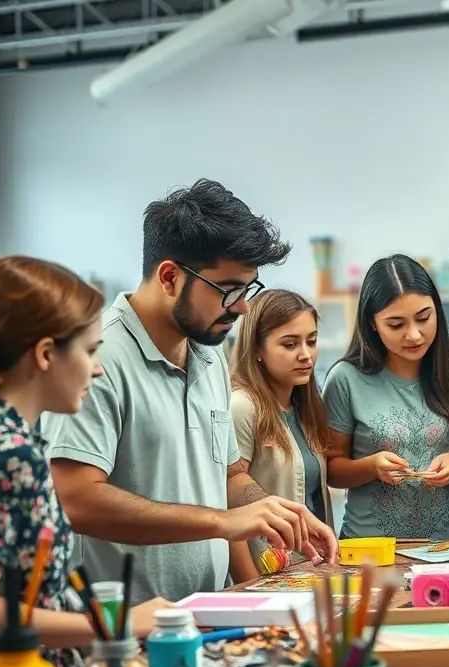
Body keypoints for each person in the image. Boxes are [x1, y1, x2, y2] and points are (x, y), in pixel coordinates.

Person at [42, 179, 337, 604]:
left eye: (247, 289)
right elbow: (76, 499)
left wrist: (269, 509)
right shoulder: (97, 359)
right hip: (122, 629)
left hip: (202, 613)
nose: (242, 307)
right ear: (169, 277)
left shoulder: (209, 352)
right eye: (228, 290)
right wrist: (222, 522)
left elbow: (229, 474)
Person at [0, 256, 171, 667]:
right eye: (89, 352)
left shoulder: (15, 438)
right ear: (46, 354)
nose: (98, 367)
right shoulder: (9, 455)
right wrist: (114, 624)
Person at [325, 254, 449, 540]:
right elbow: (332, 469)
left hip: (447, 548)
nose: (414, 335)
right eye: (396, 325)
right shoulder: (345, 378)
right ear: (372, 324)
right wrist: (371, 466)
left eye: (424, 318)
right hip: (370, 550)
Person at [230, 289, 333, 574]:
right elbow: (230, 511)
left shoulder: (305, 405)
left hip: (309, 570)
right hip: (267, 573)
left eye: (311, 341)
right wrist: (250, 589)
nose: (306, 355)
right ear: (257, 350)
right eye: (290, 345)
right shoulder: (242, 407)